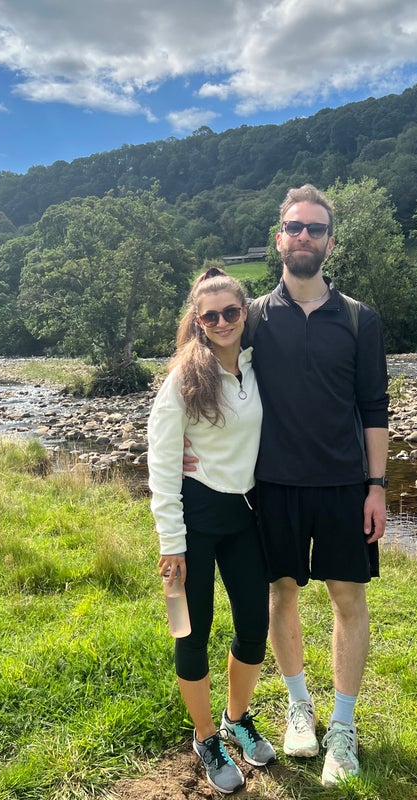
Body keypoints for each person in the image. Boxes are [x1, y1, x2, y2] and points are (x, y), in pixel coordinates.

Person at [184, 185, 389, 787]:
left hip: (345, 484)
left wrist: (377, 486)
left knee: (348, 599)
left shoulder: (360, 319)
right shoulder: (251, 318)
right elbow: (205, 364)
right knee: (281, 594)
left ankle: (343, 726)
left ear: (329, 242)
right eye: (295, 227)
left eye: (315, 229)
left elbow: (374, 407)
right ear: (279, 239)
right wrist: (185, 436)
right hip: (272, 485)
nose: (304, 237)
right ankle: (300, 708)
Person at [147, 267, 276, 794]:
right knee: (191, 632)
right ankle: (205, 738)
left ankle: (235, 718)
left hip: (245, 515)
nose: (222, 322)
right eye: (211, 316)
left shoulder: (259, 364)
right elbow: (161, 461)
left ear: (245, 313)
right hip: (194, 520)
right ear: (198, 321)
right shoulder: (185, 378)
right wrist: (171, 542)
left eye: (231, 312)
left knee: (254, 625)